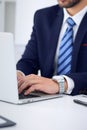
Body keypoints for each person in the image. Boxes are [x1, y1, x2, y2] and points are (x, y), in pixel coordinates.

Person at [17, 0, 87, 96]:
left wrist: (61, 84)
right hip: (47, 101)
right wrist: (19, 75)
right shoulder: (43, 17)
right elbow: (29, 61)